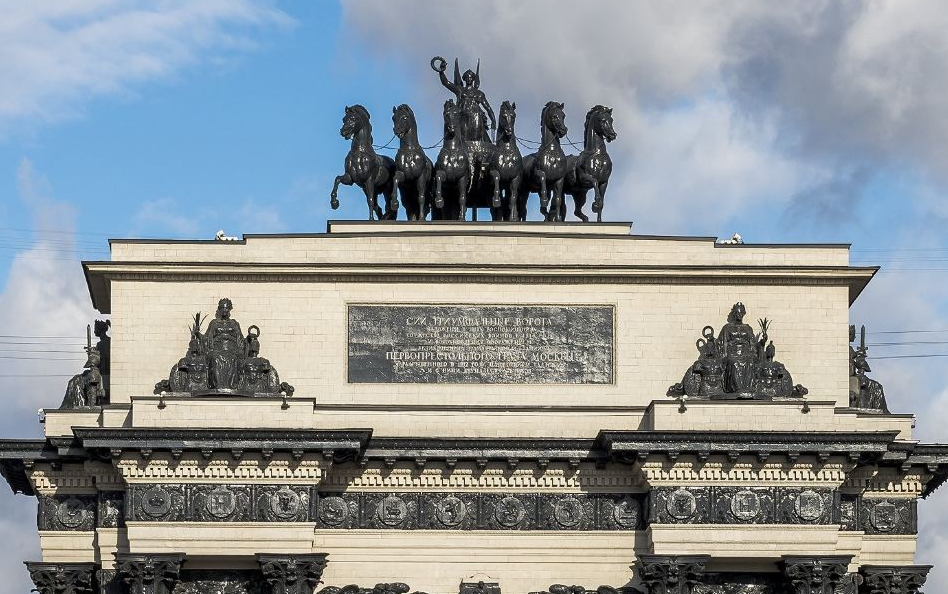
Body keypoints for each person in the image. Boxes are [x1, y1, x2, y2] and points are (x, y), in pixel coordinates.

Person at [432, 56, 496, 143]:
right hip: (462, 117)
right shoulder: (460, 90)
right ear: (464, 79)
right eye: (467, 77)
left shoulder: (479, 93)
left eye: (470, 77)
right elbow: (446, 83)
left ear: (473, 79)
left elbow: (488, 108)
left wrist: (493, 120)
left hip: (476, 117)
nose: (469, 79)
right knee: (460, 140)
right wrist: (441, 72)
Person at [204, 298, 246, 389]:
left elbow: (240, 338)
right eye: (222, 307)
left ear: (229, 309)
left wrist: (240, 349)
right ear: (219, 309)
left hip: (232, 350)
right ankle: (218, 385)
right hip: (217, 349)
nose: (224, 310)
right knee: (215, 359)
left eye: (226, 308)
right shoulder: (214, 323)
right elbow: (207, 338)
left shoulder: (234, 323)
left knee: (233, 359)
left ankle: (231, 385)